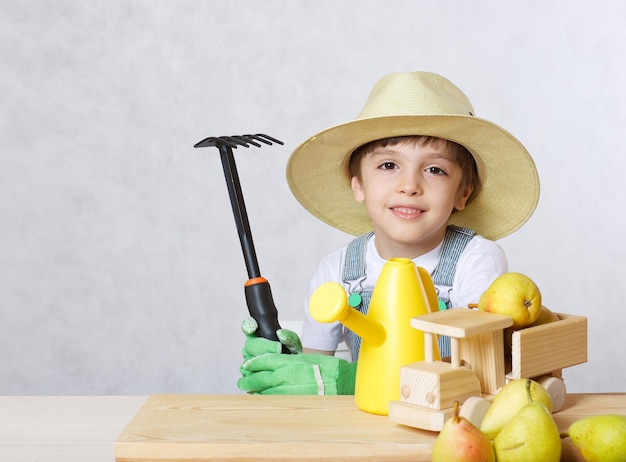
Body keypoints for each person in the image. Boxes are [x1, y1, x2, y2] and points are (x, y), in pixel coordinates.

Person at [237, 71, 539, 395]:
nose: (409, 186)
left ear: (463, 193)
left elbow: (475, 371)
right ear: (358, 185)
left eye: (435, 169)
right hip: (366, 433)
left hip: (443, 424)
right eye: (388, 166)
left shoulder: (475, 260)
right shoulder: (337, 271)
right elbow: (316, 370)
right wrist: (291, 364)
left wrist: (354, 379)